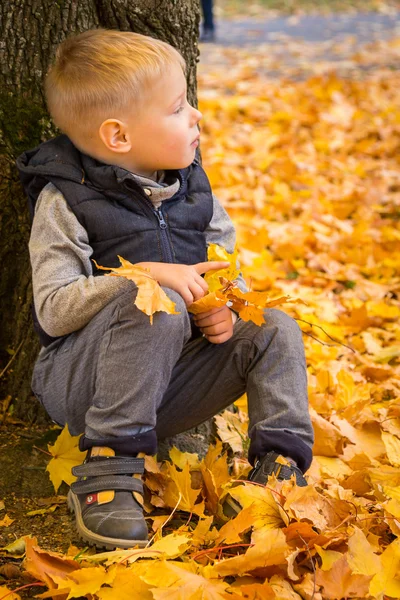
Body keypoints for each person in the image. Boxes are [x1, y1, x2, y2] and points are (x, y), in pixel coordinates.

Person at [17, 29, 314, 550]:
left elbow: (226, 276)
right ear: (119, 137)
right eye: (179, 108)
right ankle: (108, 470)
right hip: (84, 386)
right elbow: (54, 309)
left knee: (276, 329)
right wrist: (144, 276)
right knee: (157, 302)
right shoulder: (66, 200)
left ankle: (278, 475)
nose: (196, 115)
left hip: (172, 383)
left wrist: (221, 307)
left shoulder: (195, 190)